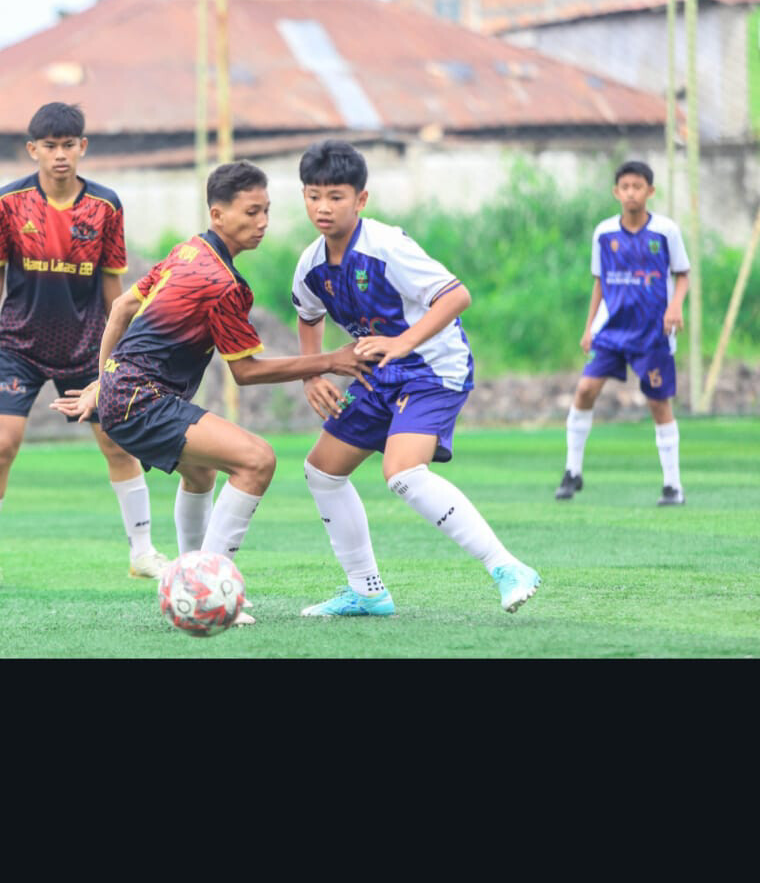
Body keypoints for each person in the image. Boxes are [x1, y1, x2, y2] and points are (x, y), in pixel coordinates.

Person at [51, 160, 377, 626]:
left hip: (127, 393)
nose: (262, 223)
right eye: (250, 212)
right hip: (141, 398)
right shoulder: (222, 285)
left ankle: (188, 579)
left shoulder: (188, 252)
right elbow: (245, 372)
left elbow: (123, 306)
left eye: (266, 211)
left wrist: (104, 380)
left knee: (201, 475)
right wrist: (330, 360)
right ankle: (206, 590)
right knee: (258, 460)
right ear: (217, 215)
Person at [291, 139, 541, 617]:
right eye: (313, 195)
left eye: (336, 196)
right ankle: (367, 592)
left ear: (361, 200)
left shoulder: (387, 246)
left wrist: (403, 343)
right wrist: (313, 372)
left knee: (403, 473)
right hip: (379, 373)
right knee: (321, 472)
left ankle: (508, 567)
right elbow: (307, 314)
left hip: (432, 368)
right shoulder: (311, 264)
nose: (323, 207)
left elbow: (456, 296)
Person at [0, 102, 169, 589]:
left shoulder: (106, 206)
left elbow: (111, 286)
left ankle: (142, 552)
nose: (60, 155)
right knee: (2, 444)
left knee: (116, 444)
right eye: (50, 146)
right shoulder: (7, 202)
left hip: (86, 348)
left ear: (83, 147)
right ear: (32, 149)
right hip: (20, 343)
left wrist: (117, 352)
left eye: (69, 145)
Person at [556, 160, 691, 505]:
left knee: (659, 403)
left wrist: (675, 306)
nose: (631, 192)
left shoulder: (665, 232)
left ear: (650, 191)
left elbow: (683, 274)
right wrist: (589, 327)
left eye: (638, 186)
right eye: (625, 186)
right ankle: (572, 472)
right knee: (585, 390)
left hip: (652, 332)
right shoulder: (604, 234)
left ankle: (673, 486)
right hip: (612, 330)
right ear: (616, 192)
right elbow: (599, 284)